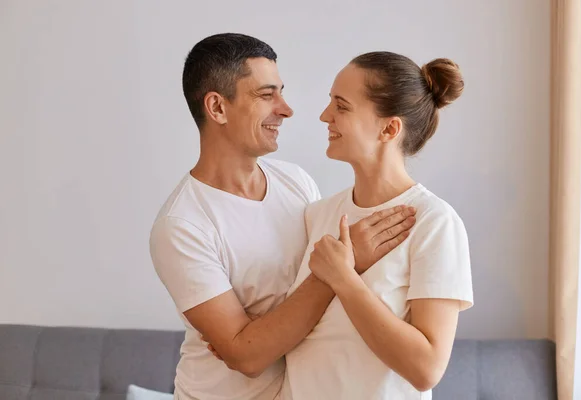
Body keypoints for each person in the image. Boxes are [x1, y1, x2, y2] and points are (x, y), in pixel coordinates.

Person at [149, 34, 416, 400]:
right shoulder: (181, 225)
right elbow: (248, 356)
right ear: (217, 108)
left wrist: (256, 335)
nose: (286, 109)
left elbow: (316, 304)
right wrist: (341, 267)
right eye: (266, 95)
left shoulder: (296, 182)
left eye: (281, 92)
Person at [277, 53, 474, 400]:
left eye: (341, 106)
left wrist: (343, 279)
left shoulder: (434, 223)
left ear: (389, 128)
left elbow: (426, 369)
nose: (325, 116)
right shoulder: (317, 215)